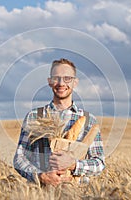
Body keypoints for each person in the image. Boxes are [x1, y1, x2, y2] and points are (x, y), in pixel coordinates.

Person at [13, 58, 105, 186]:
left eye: (67, 78)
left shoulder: (89, 120)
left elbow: (99, 163)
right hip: (41, 194)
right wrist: (40, 176)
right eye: (56, 78)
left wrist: (74, 164)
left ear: (75, 82)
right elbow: (19, 158)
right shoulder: (34, 117)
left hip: (77, 194)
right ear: (49, 81)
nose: (61, 83)